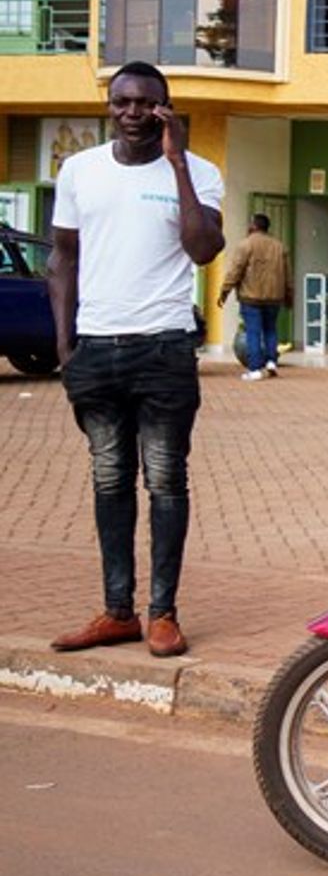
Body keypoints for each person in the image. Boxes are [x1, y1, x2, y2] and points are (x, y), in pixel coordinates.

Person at [48, 62, 225, 659]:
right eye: (122, 102)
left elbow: (203, 250)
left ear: (165, 109)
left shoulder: (200, 172)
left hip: (164, 349)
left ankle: (163, 614)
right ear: (109, 106)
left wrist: (176, 163)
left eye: (146, 104)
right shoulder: (79, 170)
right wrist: (64, 347)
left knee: (167, 480)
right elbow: (62, 260)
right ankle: (117, 610)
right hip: (95, 350)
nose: (132, 113)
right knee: (108, 480)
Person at [217, 211, 291, 381]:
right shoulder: (279, 246)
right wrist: (289, 295)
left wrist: (224, 292)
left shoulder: (245, 245)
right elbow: (288, 274)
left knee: (253, 332)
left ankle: (255, 369)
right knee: (271, 329)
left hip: (251, 297)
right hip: (274, 297)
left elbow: (235, 271)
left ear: (253, 226)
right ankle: (272, 361)